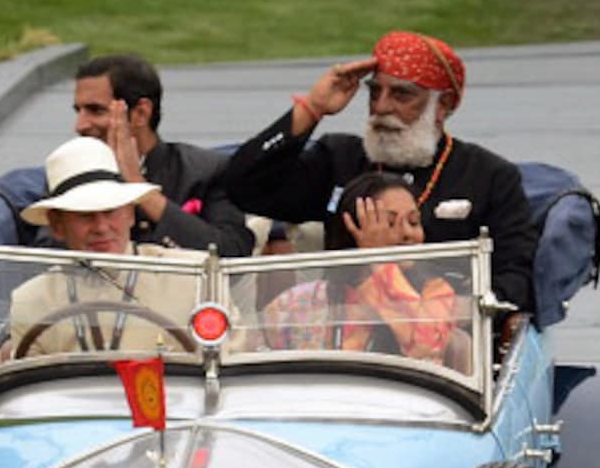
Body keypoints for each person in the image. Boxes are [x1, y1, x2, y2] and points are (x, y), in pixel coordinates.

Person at [223, 30, 535, 313]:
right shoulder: (339, 160)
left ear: (444, 104)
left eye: (401, 95)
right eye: (374, 93)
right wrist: (312, 109)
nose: (381, 107)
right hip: (345, 341)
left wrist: (438, 312)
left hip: (447, 349)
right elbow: (244, 188)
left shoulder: (489, 176)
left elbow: (516, 281)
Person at [6, 138, 202, 357]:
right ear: (58, 226)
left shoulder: (193, 277)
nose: (101, 227)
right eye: (85, 215)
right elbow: (30, 386)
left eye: (110, 211)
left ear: (130, 214)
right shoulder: (31, 300)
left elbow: (228, 370)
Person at [262, 173, 467, 369]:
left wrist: (379, 262)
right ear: (353, 229)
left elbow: (424, 347)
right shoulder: (300, 302)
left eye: (414, 222)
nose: (407, 233)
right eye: (389, 223)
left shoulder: (436, 293)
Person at [73, 53, 254, 256]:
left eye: (96, 111)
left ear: (141, 113)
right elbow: (47, 253)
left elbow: (231, 253)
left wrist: (139, 189)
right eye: (78, 111)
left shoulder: (208, 172)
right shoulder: (72, 173)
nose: (80, 126)